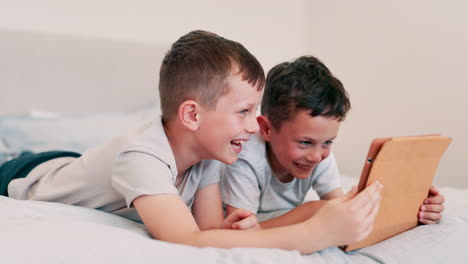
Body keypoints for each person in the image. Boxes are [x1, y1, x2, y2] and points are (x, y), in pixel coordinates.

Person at [0, 31, 382, 254]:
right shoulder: (141, 158)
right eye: (244, 112)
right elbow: (189, 241)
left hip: (73, 166)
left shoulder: (210, 157)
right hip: (25, 175)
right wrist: (316, 235)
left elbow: (210, 230)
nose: (254, 128)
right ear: (193, 116)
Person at [221, 55, 445, 229]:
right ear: (267, 129)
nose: (317, 156)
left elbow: (338, 204)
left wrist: (416, 207)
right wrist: (311, 212)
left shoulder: (319, 156)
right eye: (305, 142)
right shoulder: (245, 159)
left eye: (328, 142)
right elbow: (242, 231)